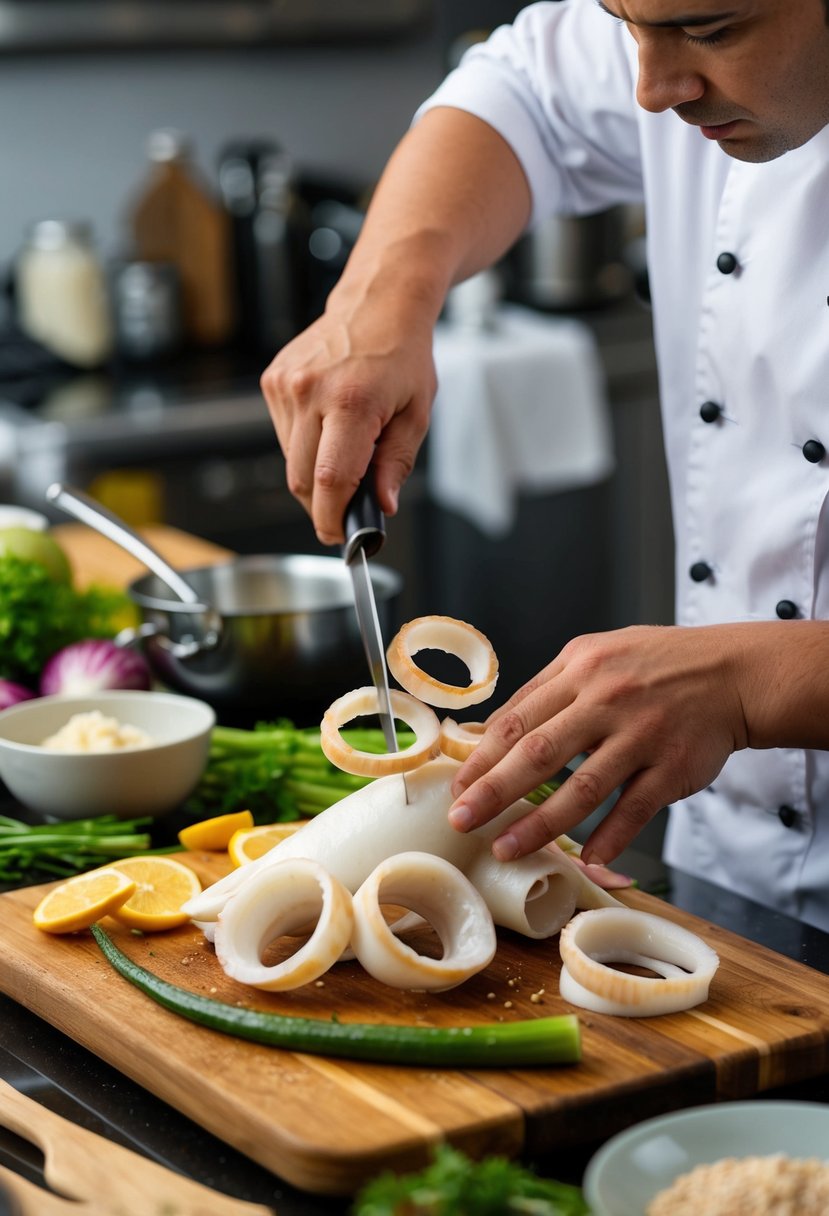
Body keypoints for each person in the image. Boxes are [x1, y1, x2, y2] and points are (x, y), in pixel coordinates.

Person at [260, 0, 829, 930]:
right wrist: (383, 292)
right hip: (728, 879)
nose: (651, 90)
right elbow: (522, 92)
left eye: (713, 31)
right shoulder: (666, 37)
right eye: (624, 24)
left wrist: (746, 682)